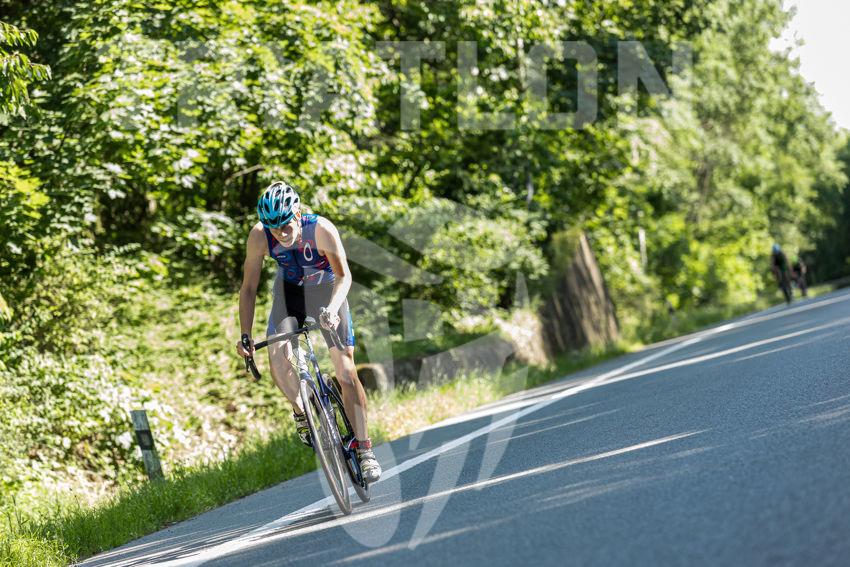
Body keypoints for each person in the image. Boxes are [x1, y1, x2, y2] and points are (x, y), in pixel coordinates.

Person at [235, 181, 381, 483]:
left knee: (345, 372)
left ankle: (365, 449)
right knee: (277, 356)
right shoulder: (259, 236)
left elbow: (344, 276)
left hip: (328, 290)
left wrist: (332, 309)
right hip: (290, 294)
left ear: (298, 215)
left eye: (285, 225)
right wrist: (245, 334)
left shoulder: (321, 229)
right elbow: (248, 288)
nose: (280, 233)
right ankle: (302, 411)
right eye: (274, 227)